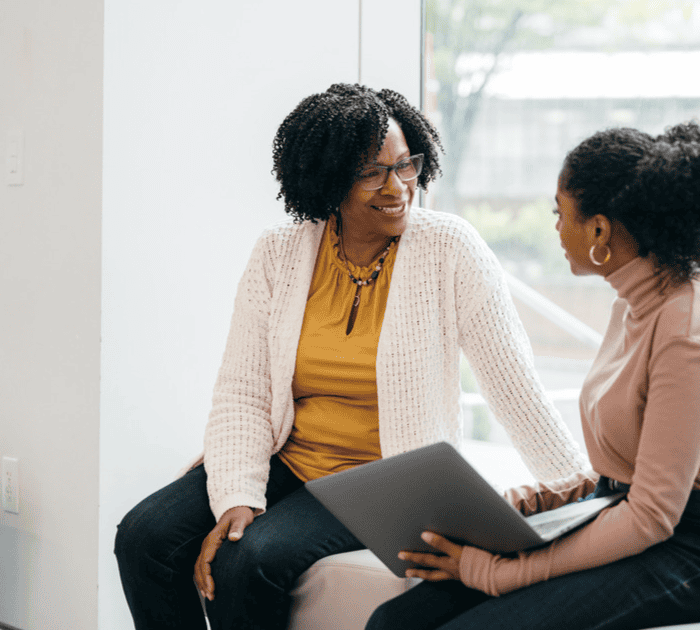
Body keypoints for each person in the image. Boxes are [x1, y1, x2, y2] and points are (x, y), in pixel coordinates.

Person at [113, 83, 587, 630]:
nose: (398, 186)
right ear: (327, 177)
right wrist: (238, 496)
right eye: (372, 172)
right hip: (286, 460)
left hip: (381, 479)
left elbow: (513, 384)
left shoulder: (450, 248)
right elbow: (243, 390)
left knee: (249, 559)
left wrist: (581, 493)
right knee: (143, 537)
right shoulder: (278, 253)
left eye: (406, 165)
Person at [367, 122, 700, 630]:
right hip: (628, 512)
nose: (556, 228)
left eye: (561, 214)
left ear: (600, 230)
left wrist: (498, 573)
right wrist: (511, 508)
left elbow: (651, 517)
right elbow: (623, 475)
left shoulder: (689, 333)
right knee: (396, 621)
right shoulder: (637, 301)